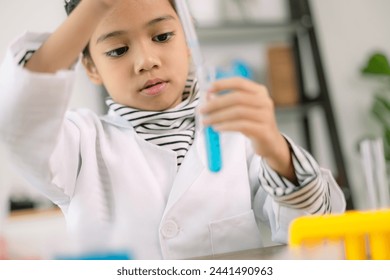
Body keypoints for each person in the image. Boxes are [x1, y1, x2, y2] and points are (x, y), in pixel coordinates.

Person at [0, 0, 346, 260]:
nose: (146, 60)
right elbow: (19, 119)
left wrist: (276, 150)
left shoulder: (240, 139)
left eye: (163, 35)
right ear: (91, 67)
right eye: (118, 50)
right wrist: (97, 4)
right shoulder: (78, 143)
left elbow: (320, 232)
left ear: (188, 37)